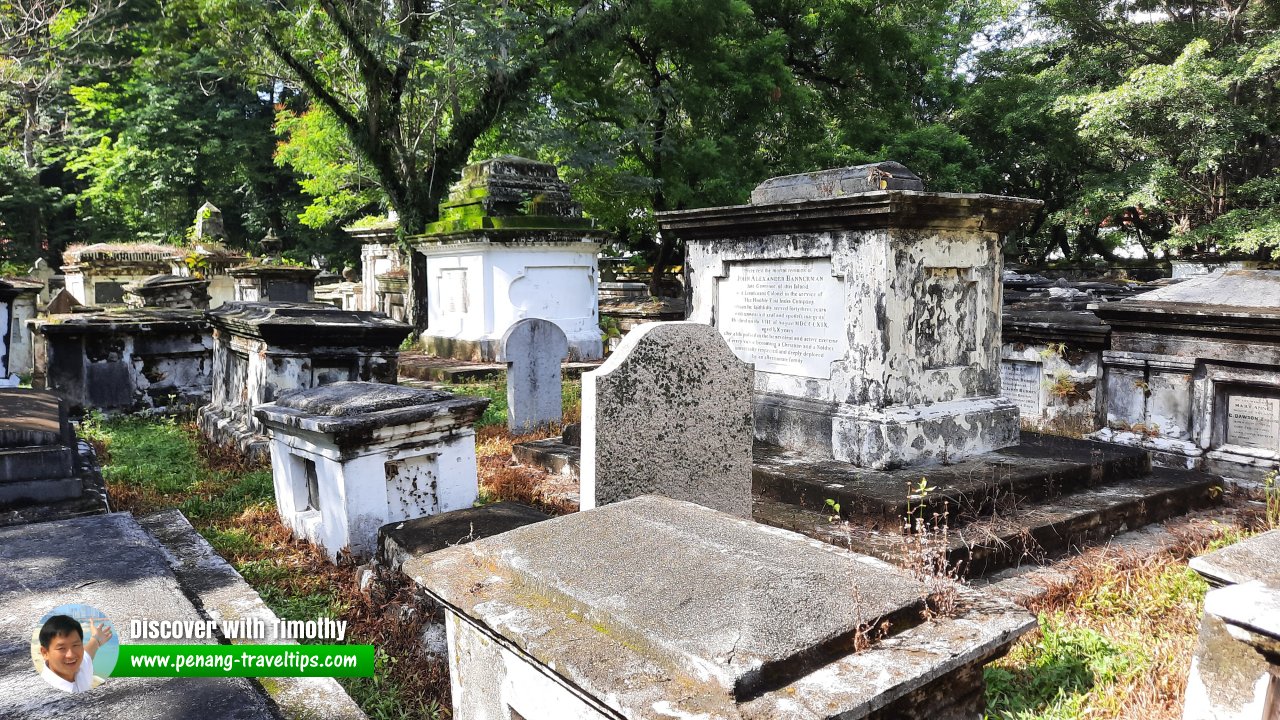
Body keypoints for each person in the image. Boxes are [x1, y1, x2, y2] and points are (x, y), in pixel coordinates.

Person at [37, 614, 112, 693]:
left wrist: (96, 639)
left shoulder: (81, 665)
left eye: (75, 645)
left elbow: (88, 652)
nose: (71, 655)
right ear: (45, 653)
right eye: (61, 648)